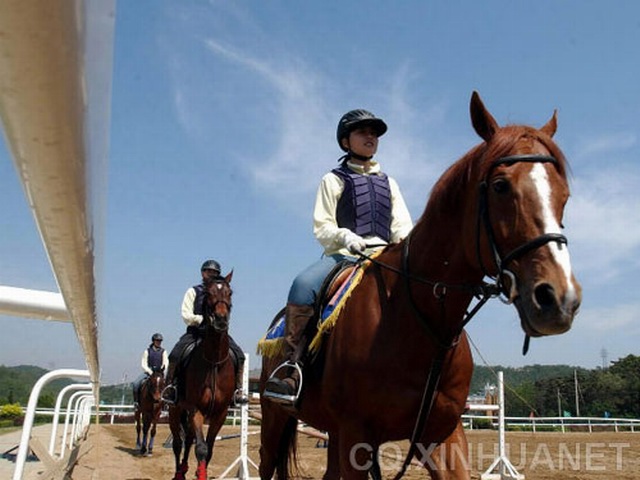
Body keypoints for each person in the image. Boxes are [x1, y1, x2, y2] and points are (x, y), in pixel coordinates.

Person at [263, 109, 413, 405]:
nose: (371, 137)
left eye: (374, 133)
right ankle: (292, 366)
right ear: (346, 141)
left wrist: (405, 246)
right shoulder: (333, 180)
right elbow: (323, 225)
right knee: (302, 284)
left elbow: (402, 225)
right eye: (363, 132)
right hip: (344, 254)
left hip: (385, 254)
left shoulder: (389, 183)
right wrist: (347, 238)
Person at [161, 259, 248, 405]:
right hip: (196, 332)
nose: (212, 274)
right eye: (209, 272)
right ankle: (171, 388)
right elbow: (186, 315)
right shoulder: (193, 291)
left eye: (215, 273)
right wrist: (201, 319)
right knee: (175, 354)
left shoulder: (221, 291)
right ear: (203, 273)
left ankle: (238, 390)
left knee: (239, 356)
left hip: (218, 333)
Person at [132, 332, 169, 409]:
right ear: (153, 341)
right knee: (136, 383)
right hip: (149, 372)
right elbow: (143, 364)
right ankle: (136, 402)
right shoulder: (147, 351)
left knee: (168, 385)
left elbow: (165, 362)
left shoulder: (163, 351)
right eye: (157, 340)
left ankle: (166, 403)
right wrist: (150, 372)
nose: (159, 342)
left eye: (160, 341)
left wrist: (161, 370)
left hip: (159, 372)